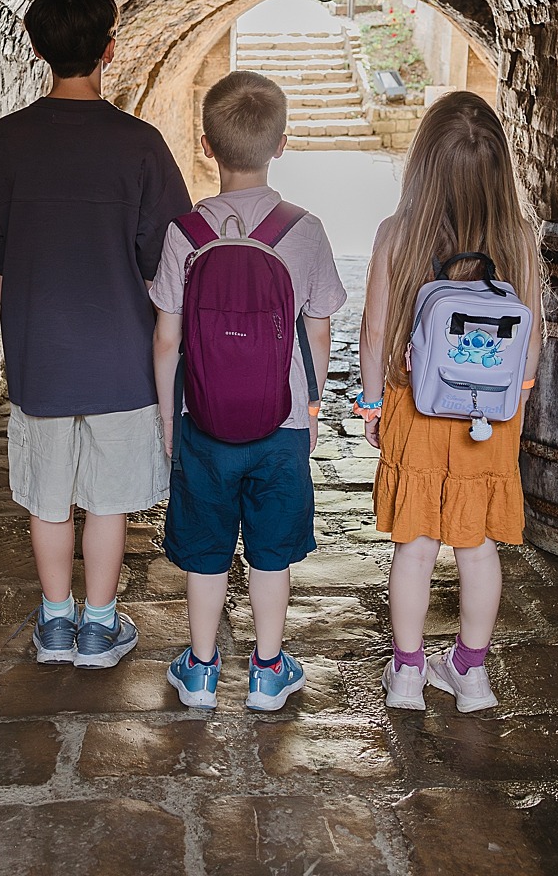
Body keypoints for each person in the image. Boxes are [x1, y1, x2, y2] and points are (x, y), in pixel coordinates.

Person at [0, 0, 192, 669]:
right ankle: (98, 624)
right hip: (121, 358)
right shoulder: (141, 146)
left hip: (40, 359)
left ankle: (54, 622)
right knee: (109, 501)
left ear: (38, 49)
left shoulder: (6, 140)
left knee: (48, 497)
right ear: (110, 49)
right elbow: (166, 266)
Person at [150, 71, 345, 710]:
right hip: (281, 423)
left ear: (206, 146)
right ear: (282, 144)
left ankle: (201, 671)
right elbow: (317, 335)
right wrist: (312, 410)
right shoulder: (304, 231)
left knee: (206, 551)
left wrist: (168, 418)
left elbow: (166, 340)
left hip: (202, 421)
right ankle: (267, 669)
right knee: (270, 550)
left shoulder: (186, 234)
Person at [354, 91, 541, 712]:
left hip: (417, 409)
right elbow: (532, 335)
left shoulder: (398, 232)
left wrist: (374, 402)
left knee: (415, 545)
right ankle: (471, 672)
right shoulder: (518, 236)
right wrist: (517, 393)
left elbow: (377, 332)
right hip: (492, 418)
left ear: (422, 164)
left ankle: (408, 673)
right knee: (478, 545)